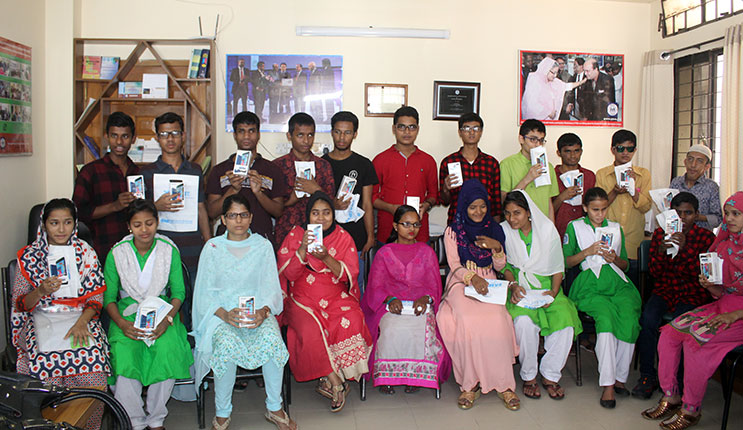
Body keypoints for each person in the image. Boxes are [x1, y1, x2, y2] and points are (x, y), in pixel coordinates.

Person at [192, 194, 296, 430]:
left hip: (257, 313)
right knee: (226, 344)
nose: (238, 220)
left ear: (251, 218)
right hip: (222, 315)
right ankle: (222, 411)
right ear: (223, 219)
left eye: (243, 215)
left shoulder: (262, 245)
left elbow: (272, 287)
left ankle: (274, 406)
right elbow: (204, 293)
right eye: (232, 215)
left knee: (272, 340)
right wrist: (224, 314)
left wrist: (264, 311)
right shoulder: (213, 247)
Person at [641, 192, 743, 429]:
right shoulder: (724, 245)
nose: (729, 219)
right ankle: (671, 395)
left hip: (738, 315)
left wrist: (734, 315)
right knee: (669, 332)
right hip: (721, 306)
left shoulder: (705, 237)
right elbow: (719, 292)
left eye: (736, 214)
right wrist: (712, 286)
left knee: (694, 340)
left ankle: (691, 409)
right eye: (727, 214)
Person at [12, 199, 109, 430]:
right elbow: (21, 304)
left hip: (80, 318)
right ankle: (47, 425)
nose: (61, 229)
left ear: (75, 224)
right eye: (54, 223)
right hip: (41, 318)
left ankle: (86, 425)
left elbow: (96, 299)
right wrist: (41, 291)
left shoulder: (86, 253)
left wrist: (82, 323)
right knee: (44, 367)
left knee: (93, 365)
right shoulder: (29, 257)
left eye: (67, 222)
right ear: (43, 225)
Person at [277, 192, 372, 412]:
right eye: (315, 213)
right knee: (310, 327)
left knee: (352, 316)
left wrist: (325, 258)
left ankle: (330, 379)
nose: (321, 218)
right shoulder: (296, 234)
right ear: (308, 214)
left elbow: (349, 276)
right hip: (302, 299)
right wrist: (302, 249)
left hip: (335, 295)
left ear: (333, 214)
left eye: (326, 213)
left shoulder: (342, 236)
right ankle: (336, 381)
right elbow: (288, 275)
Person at [104, 199, 193, 430]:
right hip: (126, 312)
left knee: (167, 348)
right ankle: (134, 419)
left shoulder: (168, 249)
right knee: (124, 352)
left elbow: (179, 292)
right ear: (129, 227)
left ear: (157, 222)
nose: (144, 230)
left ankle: (156, 418)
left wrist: (167, 320)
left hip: (162, 310)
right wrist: (122, 324)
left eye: (149, 223)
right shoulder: (117, 253)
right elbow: (108, 298)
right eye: (138, 225)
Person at [436, 180, 520, 410]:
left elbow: (501, 266)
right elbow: (454, 264)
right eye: (473, 207)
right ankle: (469, 385)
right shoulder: (453, 231)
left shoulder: (495, 229)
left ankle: (505, 385)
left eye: (483, 206)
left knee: (499, 320)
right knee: (467, 321)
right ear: (464, 206)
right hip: (461, 283)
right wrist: (472, 278)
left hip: (489, 281)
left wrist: (497, 248)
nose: (478, 211)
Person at [563, 187, 641, 408]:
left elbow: (626, 265)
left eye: (604, 209)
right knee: (605, 318)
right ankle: (607, 384)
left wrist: (614, 258)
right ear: (585, 208)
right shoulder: (575, 227)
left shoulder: (616, 229)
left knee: (629, 316)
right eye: (595, 210)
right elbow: (566, 262)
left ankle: (620, 378)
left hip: (616, 283)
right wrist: (586, 252)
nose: (600, 214)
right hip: (589, 285)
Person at [632, 192, 715, 399]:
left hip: (692, 293)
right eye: (678, 213)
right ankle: (647, 375)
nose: (682, 218)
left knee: (679, 326)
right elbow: (654, 272)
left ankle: (675, 380)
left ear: (696, 215)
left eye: (688, 213)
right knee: (648, 319)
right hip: (664, 289)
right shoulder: (661, 234)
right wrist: (660, 252)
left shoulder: (706, 238)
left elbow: (703, 276)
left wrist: (685, 248)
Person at [361, 205, 450, 395]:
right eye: (406, 224)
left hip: (420, 306)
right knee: (392, 328)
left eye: (416, 224)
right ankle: (387, 376)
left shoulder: (427, 252)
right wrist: (390, 298)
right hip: (389, 306)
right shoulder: (384, 253)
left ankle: (414, 375)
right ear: (395, 226)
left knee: (419, 327)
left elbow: (434, 285)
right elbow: (375, 286)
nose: (412, 229)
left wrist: (425, 299)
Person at [502, 190, 581, 402]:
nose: (511, 219)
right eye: (507, 214)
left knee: (565, 321)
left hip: (548, 285)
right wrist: (513, 285)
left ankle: (550, 375)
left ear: (529, 212)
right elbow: (506, 266)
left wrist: (554, 293)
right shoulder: (503, 231)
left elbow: (557, 266)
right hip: (519, 286)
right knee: (524, 323)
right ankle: (528, 376)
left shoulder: (547, 230)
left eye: (517, 213)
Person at [140, 112, 211, 327]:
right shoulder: (147, 173)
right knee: (166, 296)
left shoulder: (195, 170)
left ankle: (192, 347)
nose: (170, 139)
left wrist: (208, 242)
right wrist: (155, 206)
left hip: (192, 245)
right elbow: (138, 215)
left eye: (175, 133)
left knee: (194, 297)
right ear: (157, 138)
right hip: (161, 244)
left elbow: (201, 207)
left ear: (183, 135)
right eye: (164, 134)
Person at [206, 111, 288, 247]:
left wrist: (258, 193)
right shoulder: (219, 170)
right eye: (241, 131)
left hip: (261, 240)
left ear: (258, 134)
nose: (246, 136)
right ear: (234, 135)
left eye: (251, 131)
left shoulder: (272, 170)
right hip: (227, 242)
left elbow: (278, 211)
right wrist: (233, 189)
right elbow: (212, 212)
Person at [322, 111, 379, 292]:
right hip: (327, 234)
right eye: (338, 132)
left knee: (356, 283)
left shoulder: (364, 164)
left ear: (355, 134)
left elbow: (367, 204)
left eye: (347, 132)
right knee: (327, 283)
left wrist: (370, 236)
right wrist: (333, 204)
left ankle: (356, 319)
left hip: (356, 235)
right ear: (332, 132)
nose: (342, 137)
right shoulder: (321, 163)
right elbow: (314, 202)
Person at [73, 111, 139, 264]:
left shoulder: (137, 172)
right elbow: (77, 212)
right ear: (106, 136)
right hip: (103, 249)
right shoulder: (91, 172)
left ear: (133, 139)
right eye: (114, 136)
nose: (119, 142)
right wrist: (114, 206)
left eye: (125, 136)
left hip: (134, 251)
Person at [372, 106, 438, 243]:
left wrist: (426, 205)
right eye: (402, 127)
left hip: (418, 233)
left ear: (418, 129)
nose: (407, 132)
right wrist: (391, 208)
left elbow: (433, 195)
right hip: (387, 231)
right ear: (394, 129)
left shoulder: (428, 161)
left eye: (412, 127)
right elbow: (371, 198)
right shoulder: (380, 160)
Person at [596, 129, 652, 286]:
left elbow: (646, 207)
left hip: (633, 242)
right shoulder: (602, 174)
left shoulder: (643, 174)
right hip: (608, 240)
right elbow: (597, 208)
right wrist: (614, 191)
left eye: (630, 149)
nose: (625, 153)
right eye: (621, 148)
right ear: (613, 150)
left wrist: (633, 189)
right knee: (607, 286)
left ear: (635, 150)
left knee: (631, 287)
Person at [273, 112, 335, 246]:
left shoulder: (323, 166)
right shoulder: (277, 166)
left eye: (310, 135)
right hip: (287, 233)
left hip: (319, 235)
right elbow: (271, 207)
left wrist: (317, 190)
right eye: (300, 135)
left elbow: (332, 204)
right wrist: (292, 200)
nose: (306, 141)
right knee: (288, 267)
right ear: (289, 136)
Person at [439, 113, 502, 224]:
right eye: (467, 128)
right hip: (457, 223)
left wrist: (496, 229)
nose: (471, 132)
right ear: (460, 132)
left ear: (481, 132)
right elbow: (445, 202)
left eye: (476, 128)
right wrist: (445, 189)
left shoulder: (491, 163)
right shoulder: (449, 162)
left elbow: (496, 203)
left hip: (485, 223)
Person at [500, 119, 559, 221]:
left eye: (541, 140)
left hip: (543, 225)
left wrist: (552, 229)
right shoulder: (507, 164)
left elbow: (549, 203)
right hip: (517, 224)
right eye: (533, 139)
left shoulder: (548, 167)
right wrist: (527, 179)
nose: (538, 144)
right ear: (521, 139)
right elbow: (505, 201)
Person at [669, 143, 722, 230]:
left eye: (699, 161)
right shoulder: (676, 182)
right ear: (685, 162)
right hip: (677, 234)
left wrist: (696, 216)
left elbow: (718, 219)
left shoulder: (712, 187)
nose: (693, 165)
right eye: (690, 159)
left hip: (701, 238)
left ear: (707, 167)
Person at [553, 133, 596, 238]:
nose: (573, 155)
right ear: (559, 153)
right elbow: (544, 212)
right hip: (557, 233)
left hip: (584, 234)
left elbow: (594, 207)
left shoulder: (589, 176)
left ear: (581, 151)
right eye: (568, 151)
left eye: (576, 151)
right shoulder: (551, 176)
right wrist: (562, 197)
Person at [521, 57, 585, 121]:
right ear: (546, 69)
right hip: (534, 119)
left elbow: (567, 86)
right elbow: (531, 103)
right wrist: (548, 112)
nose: (555, 75)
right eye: (553, 73)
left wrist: (582, 81)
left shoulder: (553, 81)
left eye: (556, 73)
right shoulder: (534, 79)